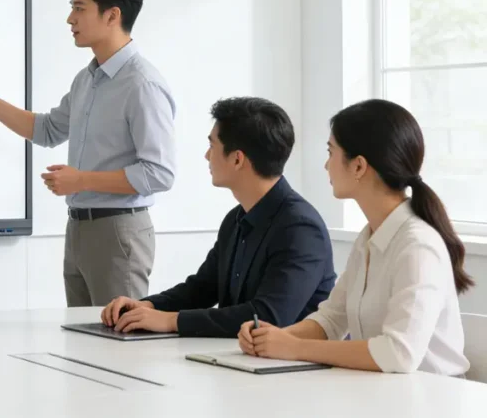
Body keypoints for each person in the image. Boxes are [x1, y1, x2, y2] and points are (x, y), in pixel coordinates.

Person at [0, 0, 176, 307]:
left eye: (79, 8)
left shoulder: (141, 84)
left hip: (118, 231)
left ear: (112, 15)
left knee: (119, 335)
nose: (70, 19)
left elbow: (159, 173)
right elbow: (46, 130)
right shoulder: (87, 79)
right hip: (79, 229)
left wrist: (81, 180)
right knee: (83, 335)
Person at [238, 99, 473, 375]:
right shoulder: (370, 237)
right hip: (383, 390)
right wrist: (271, 338)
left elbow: (398, 354)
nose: (326, 165)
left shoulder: (418, 245)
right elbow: (331, 320)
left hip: (432, 396)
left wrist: (294, 348)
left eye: (331, 152)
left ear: (359, 166)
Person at [101, 97, 336, 337]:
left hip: (292, 360)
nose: (206, 155)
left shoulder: (300, 228)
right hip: (241, 354)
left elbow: (268, 315)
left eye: (212, 146)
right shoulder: (236, 218)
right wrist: (148, 306)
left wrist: (172, 321)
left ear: (237, 159)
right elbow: (203, 288)